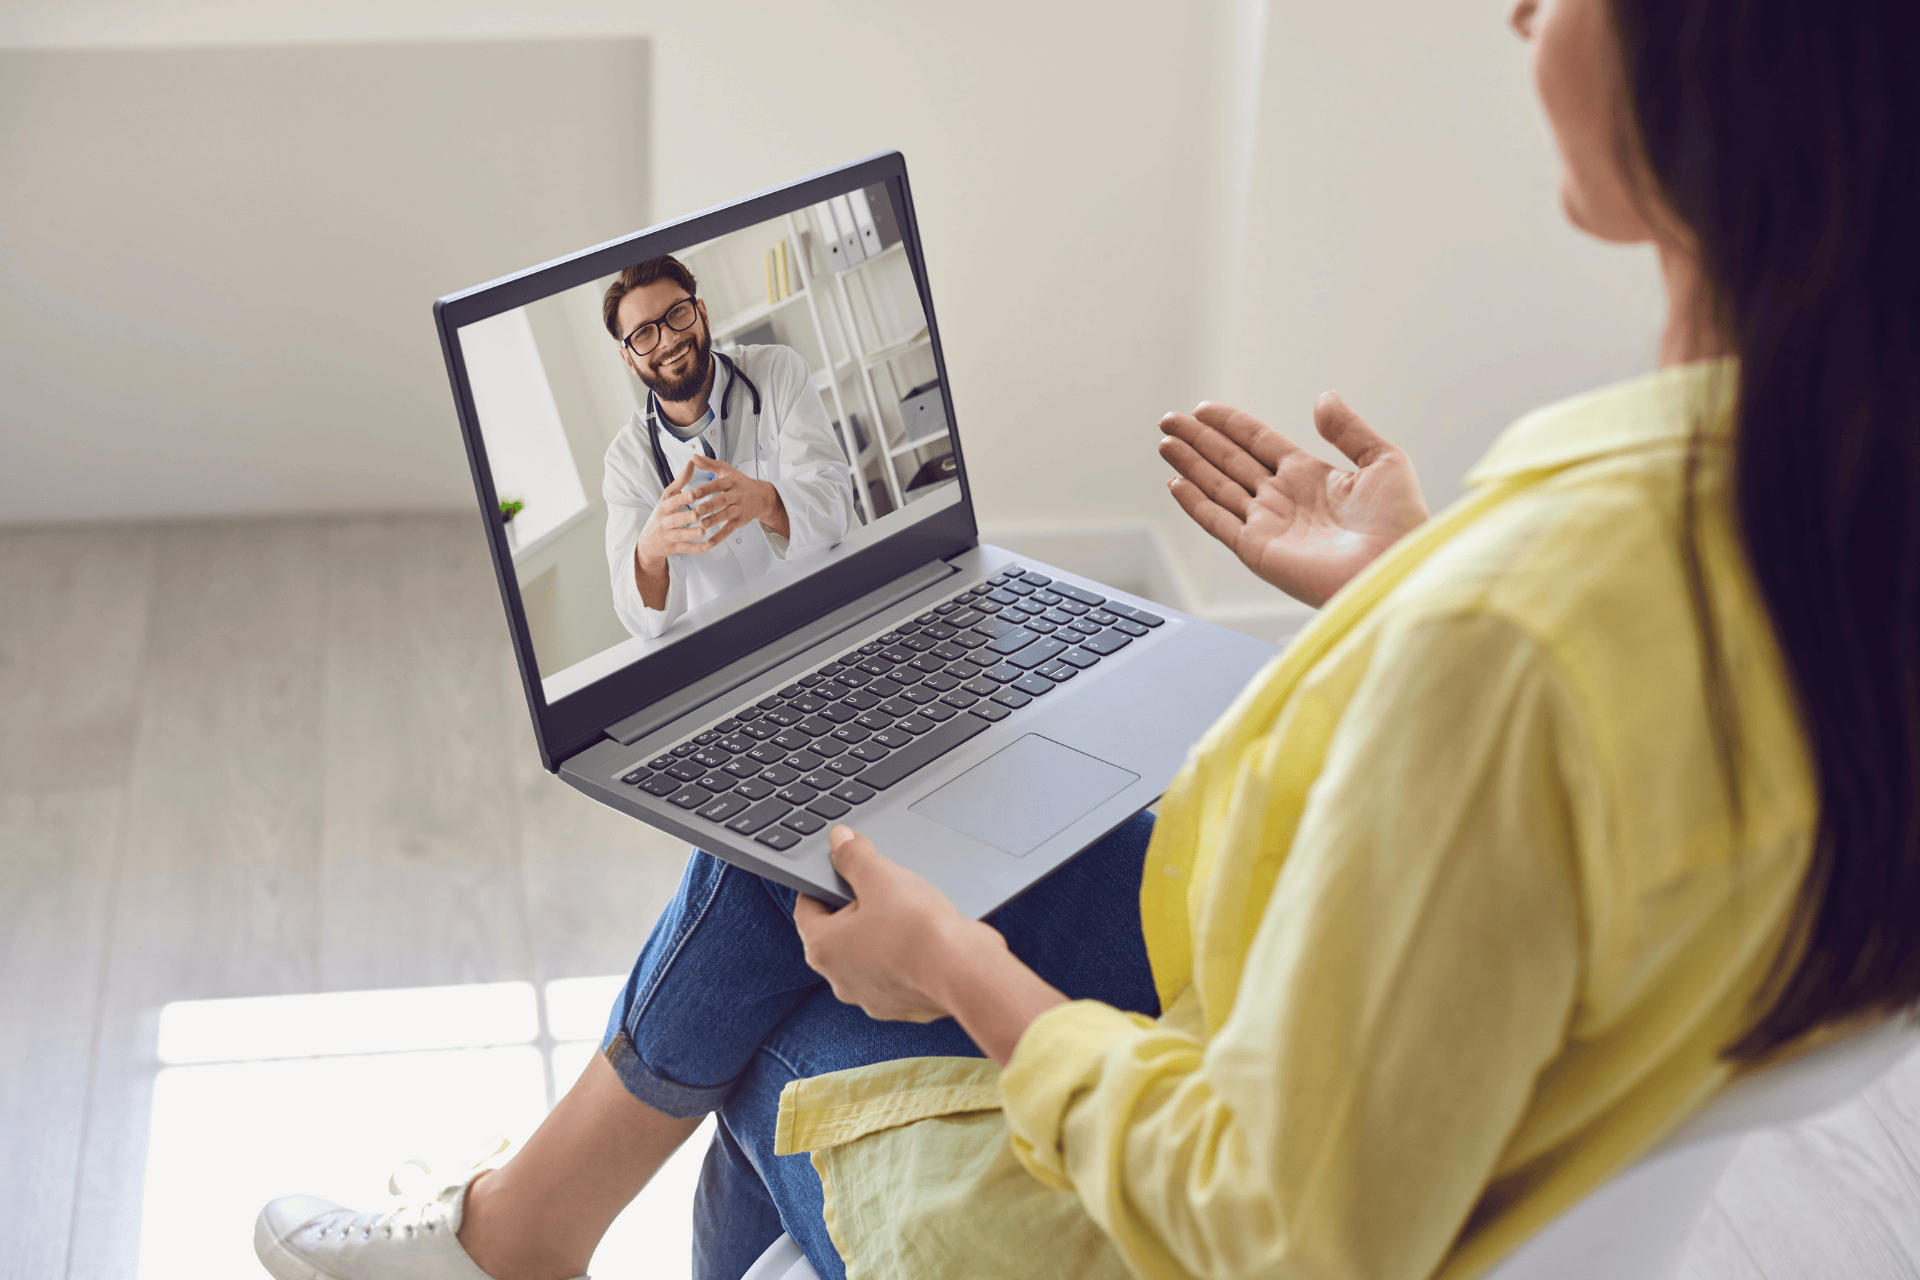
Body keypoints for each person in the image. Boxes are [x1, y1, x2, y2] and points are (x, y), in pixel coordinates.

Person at [254, 1, 1920, 1277]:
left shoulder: (1516, 638)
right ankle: (521, 1231)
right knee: (816, 822)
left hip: (1183, 1212)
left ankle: (516, 1235)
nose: (1521, 17)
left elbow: (1280, 1228)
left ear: (1726, 73)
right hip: (1363, 1020)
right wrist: (1414, 582)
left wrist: (957, 975)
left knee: (774, 940)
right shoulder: (1824, 500)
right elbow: (1601, 719)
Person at [601, 255, 855, 640]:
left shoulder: (776, 372)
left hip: (833, 611)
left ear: (701, 312)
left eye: (677, 313)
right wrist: (650, 551)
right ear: (628, 358)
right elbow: (641, 623)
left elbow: (836, 505)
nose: (668, 339)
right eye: (644, 334)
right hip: (737, 652)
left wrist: (765, 501)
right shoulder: (626, 462)